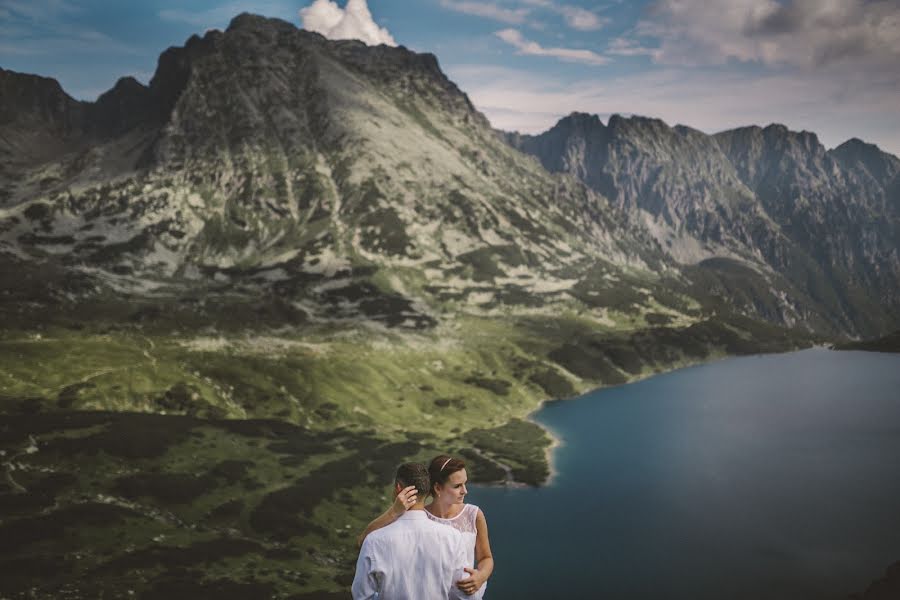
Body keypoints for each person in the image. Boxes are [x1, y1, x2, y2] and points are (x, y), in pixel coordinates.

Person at [358, 455, 494, 598]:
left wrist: (481, 576)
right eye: (457, 486)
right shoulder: (418, 518)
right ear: (437, 488)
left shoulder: (474, 514)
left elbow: (486, 557)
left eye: (465, 483)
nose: (465, 491)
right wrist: (394, 511)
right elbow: (365, 540)